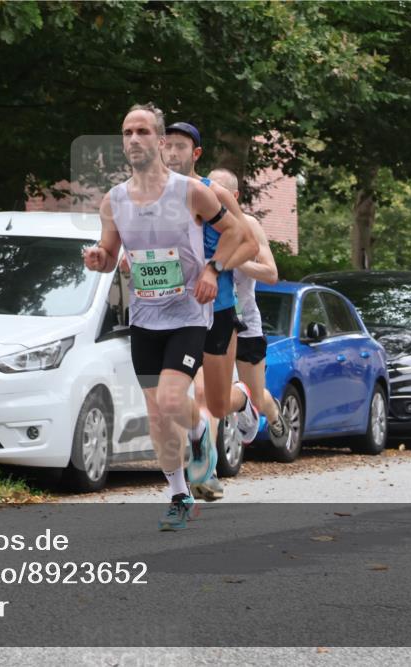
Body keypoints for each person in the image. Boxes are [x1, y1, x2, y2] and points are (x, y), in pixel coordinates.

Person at [83, 103, 254, 531]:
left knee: (173, 400)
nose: (133, 139)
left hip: (188, 314)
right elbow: (110, 256)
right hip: (144, 317)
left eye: (142, 131)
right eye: (127, 132)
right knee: (157, 414)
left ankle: (198, 435)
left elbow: (236, 231)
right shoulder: (114, 200)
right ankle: (179, 495)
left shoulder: (191, 192)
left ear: (160, 141)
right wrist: (99, 257)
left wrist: (213, 269)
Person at [161, 122, 261, 501]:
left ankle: (244, 399)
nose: (172, 153)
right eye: (167, 145)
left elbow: (248, 244)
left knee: (217, 402)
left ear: (196, 153)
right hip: (175, 311)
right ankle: (200, 465)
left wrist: (214, 269)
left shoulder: (214, 193)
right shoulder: (153, 198)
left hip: (216, 308)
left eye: (181, 146)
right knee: (176, 393)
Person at [207, 167, 291, 451]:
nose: (212, 196)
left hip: (245, 324)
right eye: (208, 189)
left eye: (219, 191)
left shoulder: (249, 225)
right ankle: (207, 459)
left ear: (234, 196)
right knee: (209, 393)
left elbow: (271, 274)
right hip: (212, 319)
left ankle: (272, 411)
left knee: (255, 398)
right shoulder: (198, 224)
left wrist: (235, 261)